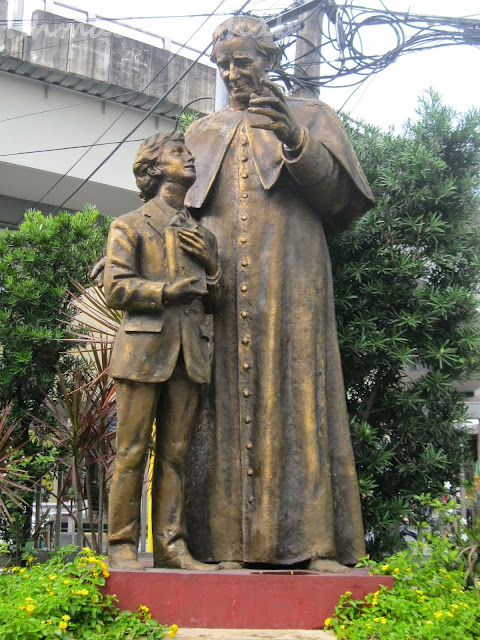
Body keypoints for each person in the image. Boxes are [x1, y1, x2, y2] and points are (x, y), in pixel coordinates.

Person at [184, 16, 375, 572]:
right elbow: (178, 211)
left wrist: (293, 135)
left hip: (292, 278)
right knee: (215, 407)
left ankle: (314, 544)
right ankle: (217, 546)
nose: (232, 72)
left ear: (269, 58)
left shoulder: (311, 116)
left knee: (299, 393)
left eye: (242, 61)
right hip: (219, 289)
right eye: (223, 64)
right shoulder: (201, 132)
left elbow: (342, 202)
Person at [104, 131, 221, 571]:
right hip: (143, 351)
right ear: (154, 170)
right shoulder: (129, 225)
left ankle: (173, 547)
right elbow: (115, 287)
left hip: (189, 353)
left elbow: (218, 303)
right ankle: (121, 545)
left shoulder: (202, 235)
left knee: (177, 453)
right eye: (178, 153)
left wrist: (212, 269)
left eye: (188, 153)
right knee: (131, 452)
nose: (189, 158)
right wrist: (165, 291)